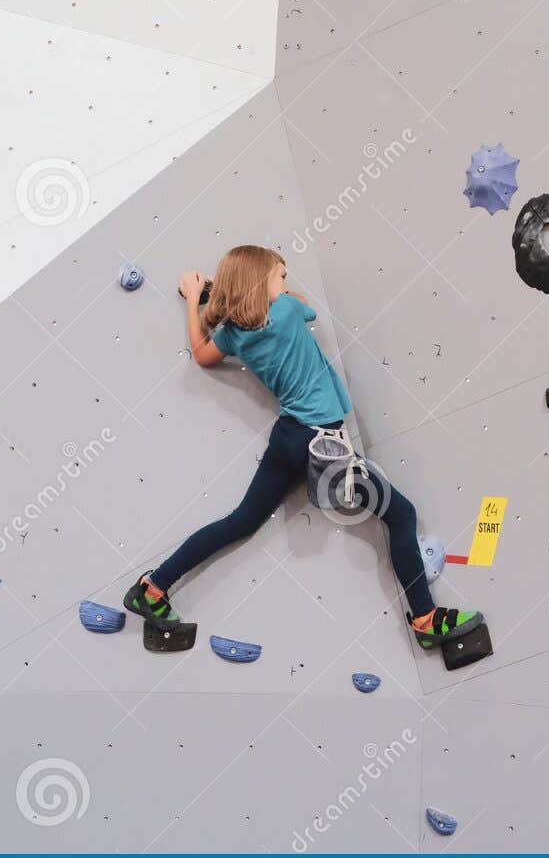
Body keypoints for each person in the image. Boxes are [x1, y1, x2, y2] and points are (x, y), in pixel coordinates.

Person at [122, 245, 483, 652]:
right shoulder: (288, 313)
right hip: (320, 443)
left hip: (291, 437)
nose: (286, 283)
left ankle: (152, 588)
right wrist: (268, 291)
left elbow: (202, 355)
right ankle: (426, 619)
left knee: (241, 521)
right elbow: (302, 303)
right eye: (280, 275)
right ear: (263, 283)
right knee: (402, 515)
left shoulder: (232, 334)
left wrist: (194, 299)